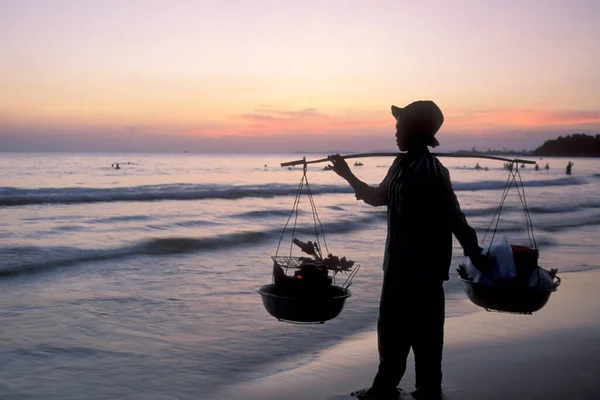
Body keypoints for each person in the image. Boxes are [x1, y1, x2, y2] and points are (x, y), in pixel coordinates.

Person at [328, 100, 490, 400]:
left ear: (416, 131)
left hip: (425, 272)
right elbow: (378, 197)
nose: (395, 131)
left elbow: (453, 215)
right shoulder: (400, 165)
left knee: (427, 341)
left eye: (400, 125)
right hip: (396, 268)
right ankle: (385, 387)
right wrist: (347, 175)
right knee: (390, 333)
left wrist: (473, 250)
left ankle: (426, 390)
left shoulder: (433, 170)